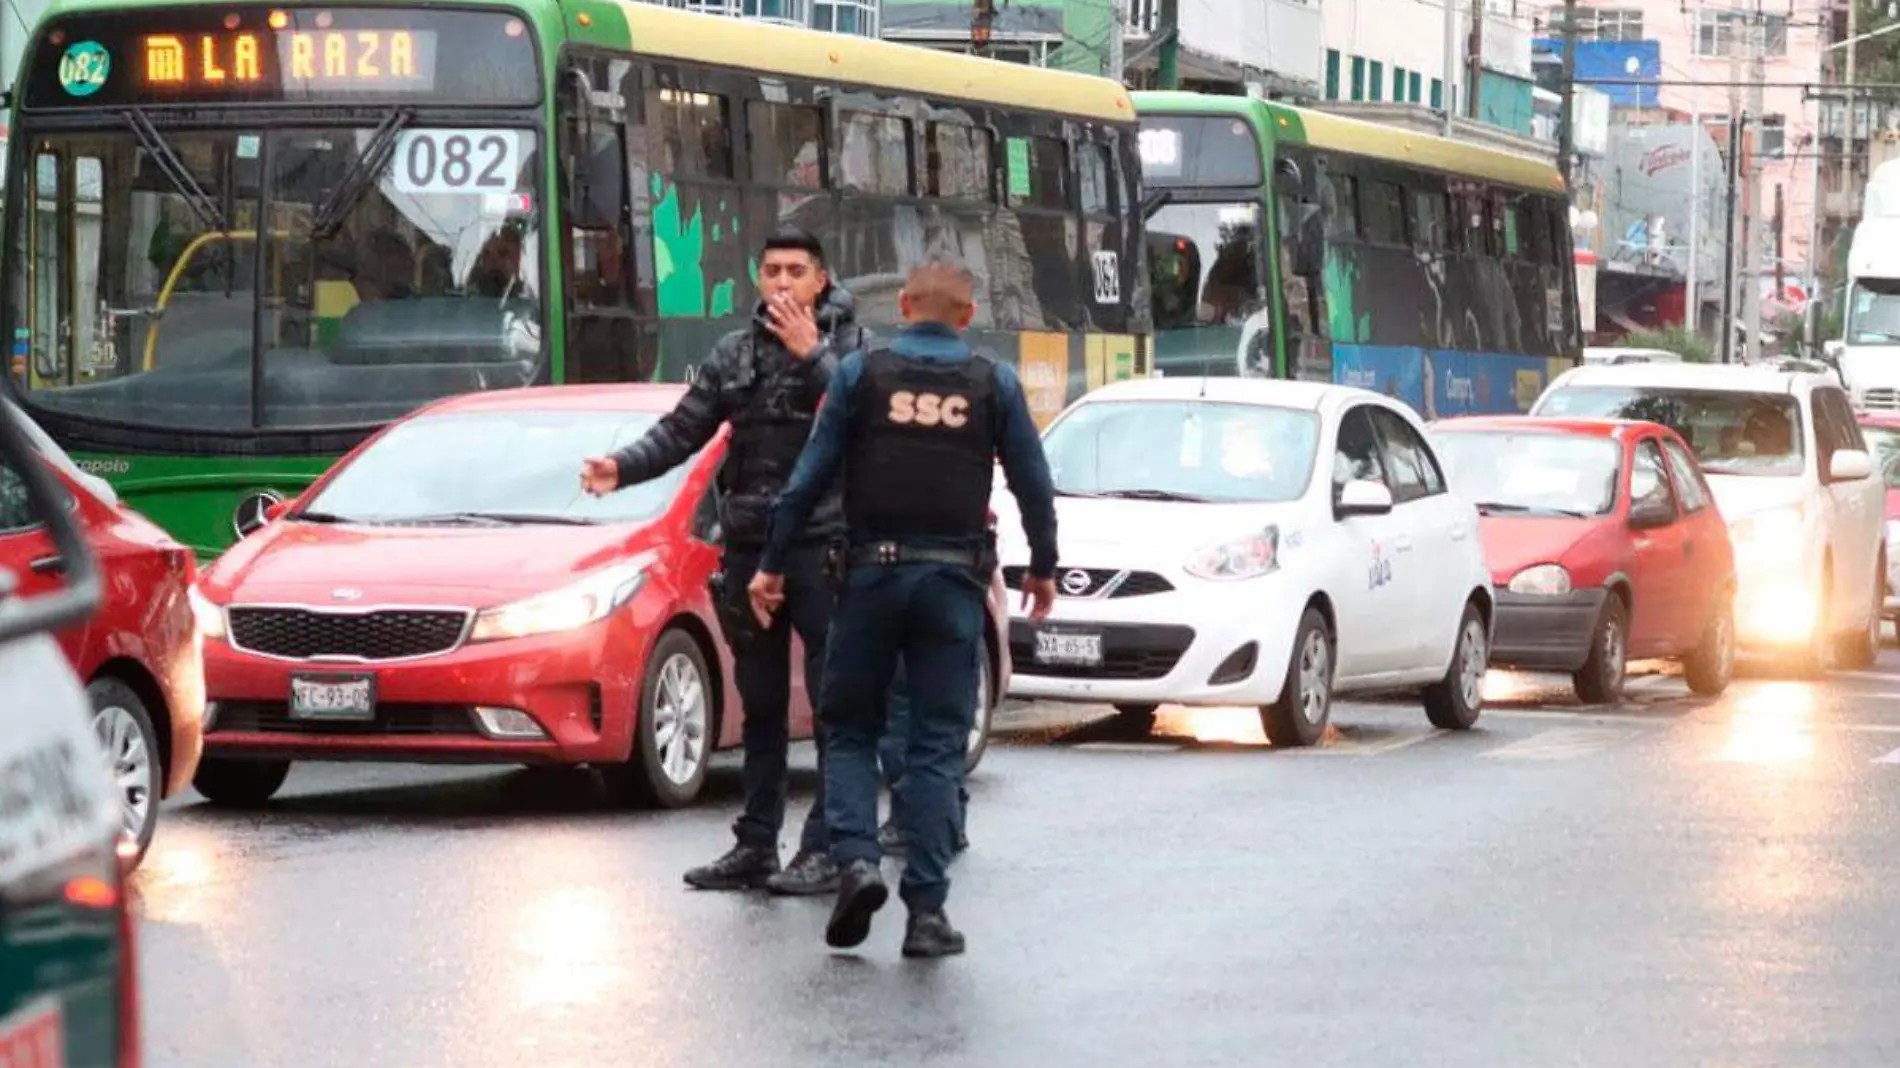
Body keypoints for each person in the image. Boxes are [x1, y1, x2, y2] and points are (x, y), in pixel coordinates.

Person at [748, 253, 1058, 958]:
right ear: (969, 318)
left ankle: (856, 860)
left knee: (851, 726)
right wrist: (1043, 568)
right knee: (936, 746)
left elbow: (806, 480)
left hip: (869, 578)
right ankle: (926, 913)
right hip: (952, 587)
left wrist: (770, 566)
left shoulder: (863, 374)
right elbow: (1034, 486)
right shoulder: (992, 384)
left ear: (906, 307)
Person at [579, 227, 866, 896]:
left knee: (833, 706)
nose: (784, 283)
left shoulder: (851, 348)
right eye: (772, 271)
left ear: (820, 279)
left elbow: (866, 420)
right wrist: (621, 468)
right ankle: (756, 843)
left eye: (797, 270)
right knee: (760, 701)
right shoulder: (735, 352)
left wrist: (814, 355)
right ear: (758, 279)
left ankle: (826, 848)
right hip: (748, 543)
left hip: (824, 545)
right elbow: (684, 428)